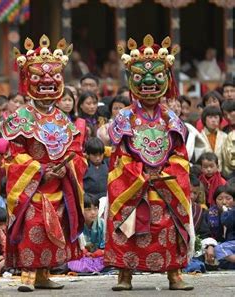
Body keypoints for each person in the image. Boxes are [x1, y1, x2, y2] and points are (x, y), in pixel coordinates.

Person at [106, 35, 194, 290]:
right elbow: (119, 156)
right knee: (127, 222)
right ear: (131, 80)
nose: (148, 82)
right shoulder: (123, 118)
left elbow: (180, 154)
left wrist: (166, 174)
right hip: (134, 185)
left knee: (171, 222)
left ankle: (174, 274)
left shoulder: (171, 119)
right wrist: (140, 175)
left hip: (166, 183)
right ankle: (124, 275)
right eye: (140, 77)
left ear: (166, 79)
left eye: (156, 76)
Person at [2, 35, 86, 292]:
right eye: (39, 78)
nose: (48, 83)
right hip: (33, 186)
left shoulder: (63, 118)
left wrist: (66, 167)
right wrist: (39, 170)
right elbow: (14, 153)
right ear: (27, 80)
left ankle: (43, 275)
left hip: (58, 184)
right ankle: (27, 275)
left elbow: (76, 151)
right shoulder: (21, 117)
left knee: (54, 231)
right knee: (32, 228)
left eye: (54, 78)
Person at [68, 195, 105, 273]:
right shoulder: (75, 225)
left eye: (96, 208)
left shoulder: (102, 224)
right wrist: (84, 252)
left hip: (97, 256)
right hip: (81, 256)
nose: (93, 212)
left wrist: (97, 253)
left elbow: (104, 246)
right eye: (88, 209)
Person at [167, 97, 210, 163]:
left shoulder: (187, 127)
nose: (176, 109)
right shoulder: (161, 124)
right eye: (172, 106)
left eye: (178, 106)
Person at [213, 186, 235, 269]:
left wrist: (225, 213)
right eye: (220, 199)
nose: (224, 202)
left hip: (231, 243)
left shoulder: (232, 212)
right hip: (228, 245)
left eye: (228, 198)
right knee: (222, 260)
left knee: (220, 249)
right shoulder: (210, 213)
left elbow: (227, 222)